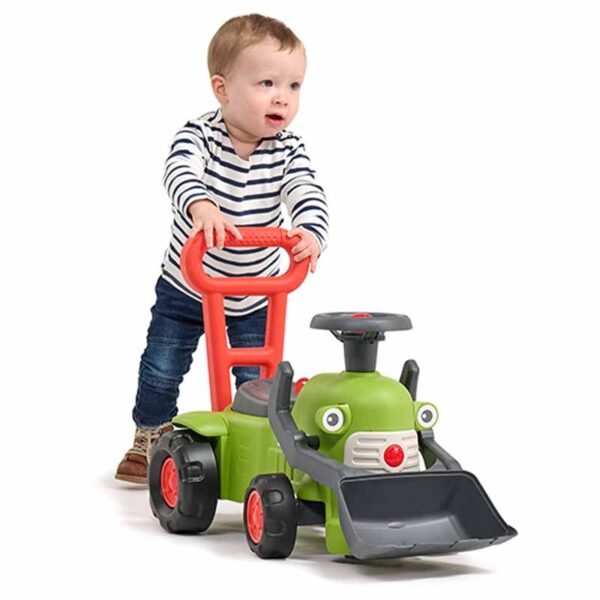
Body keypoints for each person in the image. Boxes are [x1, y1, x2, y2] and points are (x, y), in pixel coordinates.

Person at [115, 14, 329, 483]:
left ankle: (254, 442)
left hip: (255, 293)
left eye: (294, 86)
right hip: (188, 286)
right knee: (162, 364)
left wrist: (311, 232)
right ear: (222, 89)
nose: (282, 97)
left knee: (258, 380)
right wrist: (201, 205)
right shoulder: (199, 135)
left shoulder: (289, 151)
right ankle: (149, 434)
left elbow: (306, 191)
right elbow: (179, 172)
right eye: (267, 82)